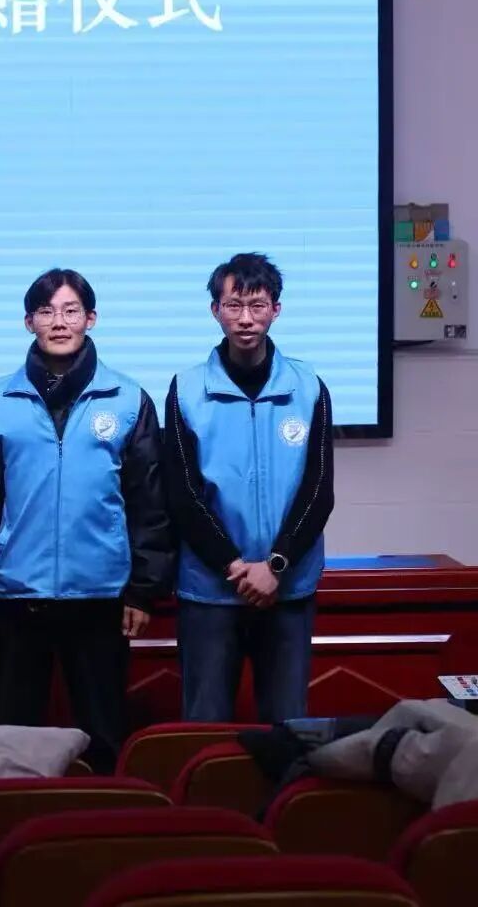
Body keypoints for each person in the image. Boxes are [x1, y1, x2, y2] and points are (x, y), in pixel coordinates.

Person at [0, 268, 172, 773]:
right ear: (28, 321)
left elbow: (149, 503)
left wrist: (143, 591)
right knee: (11, 741)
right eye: (46, 311)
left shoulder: (127, 399)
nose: (58, 322)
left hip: (101, 596)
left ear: (91, 319)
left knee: (105, 735)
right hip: (17, 596)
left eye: (71, 311)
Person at [164, 252, 334, 724]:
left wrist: (276, 565)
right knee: (204, 726)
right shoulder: (186, 389)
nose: (245, 319)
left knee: (288, 726)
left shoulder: (308, 387)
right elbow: (182, 494)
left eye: (257, 306)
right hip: (210, 592)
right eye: (234, 305)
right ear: (215, 310)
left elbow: (319, 490)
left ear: (276, 309)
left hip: (287, 589)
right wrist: (235, 566)